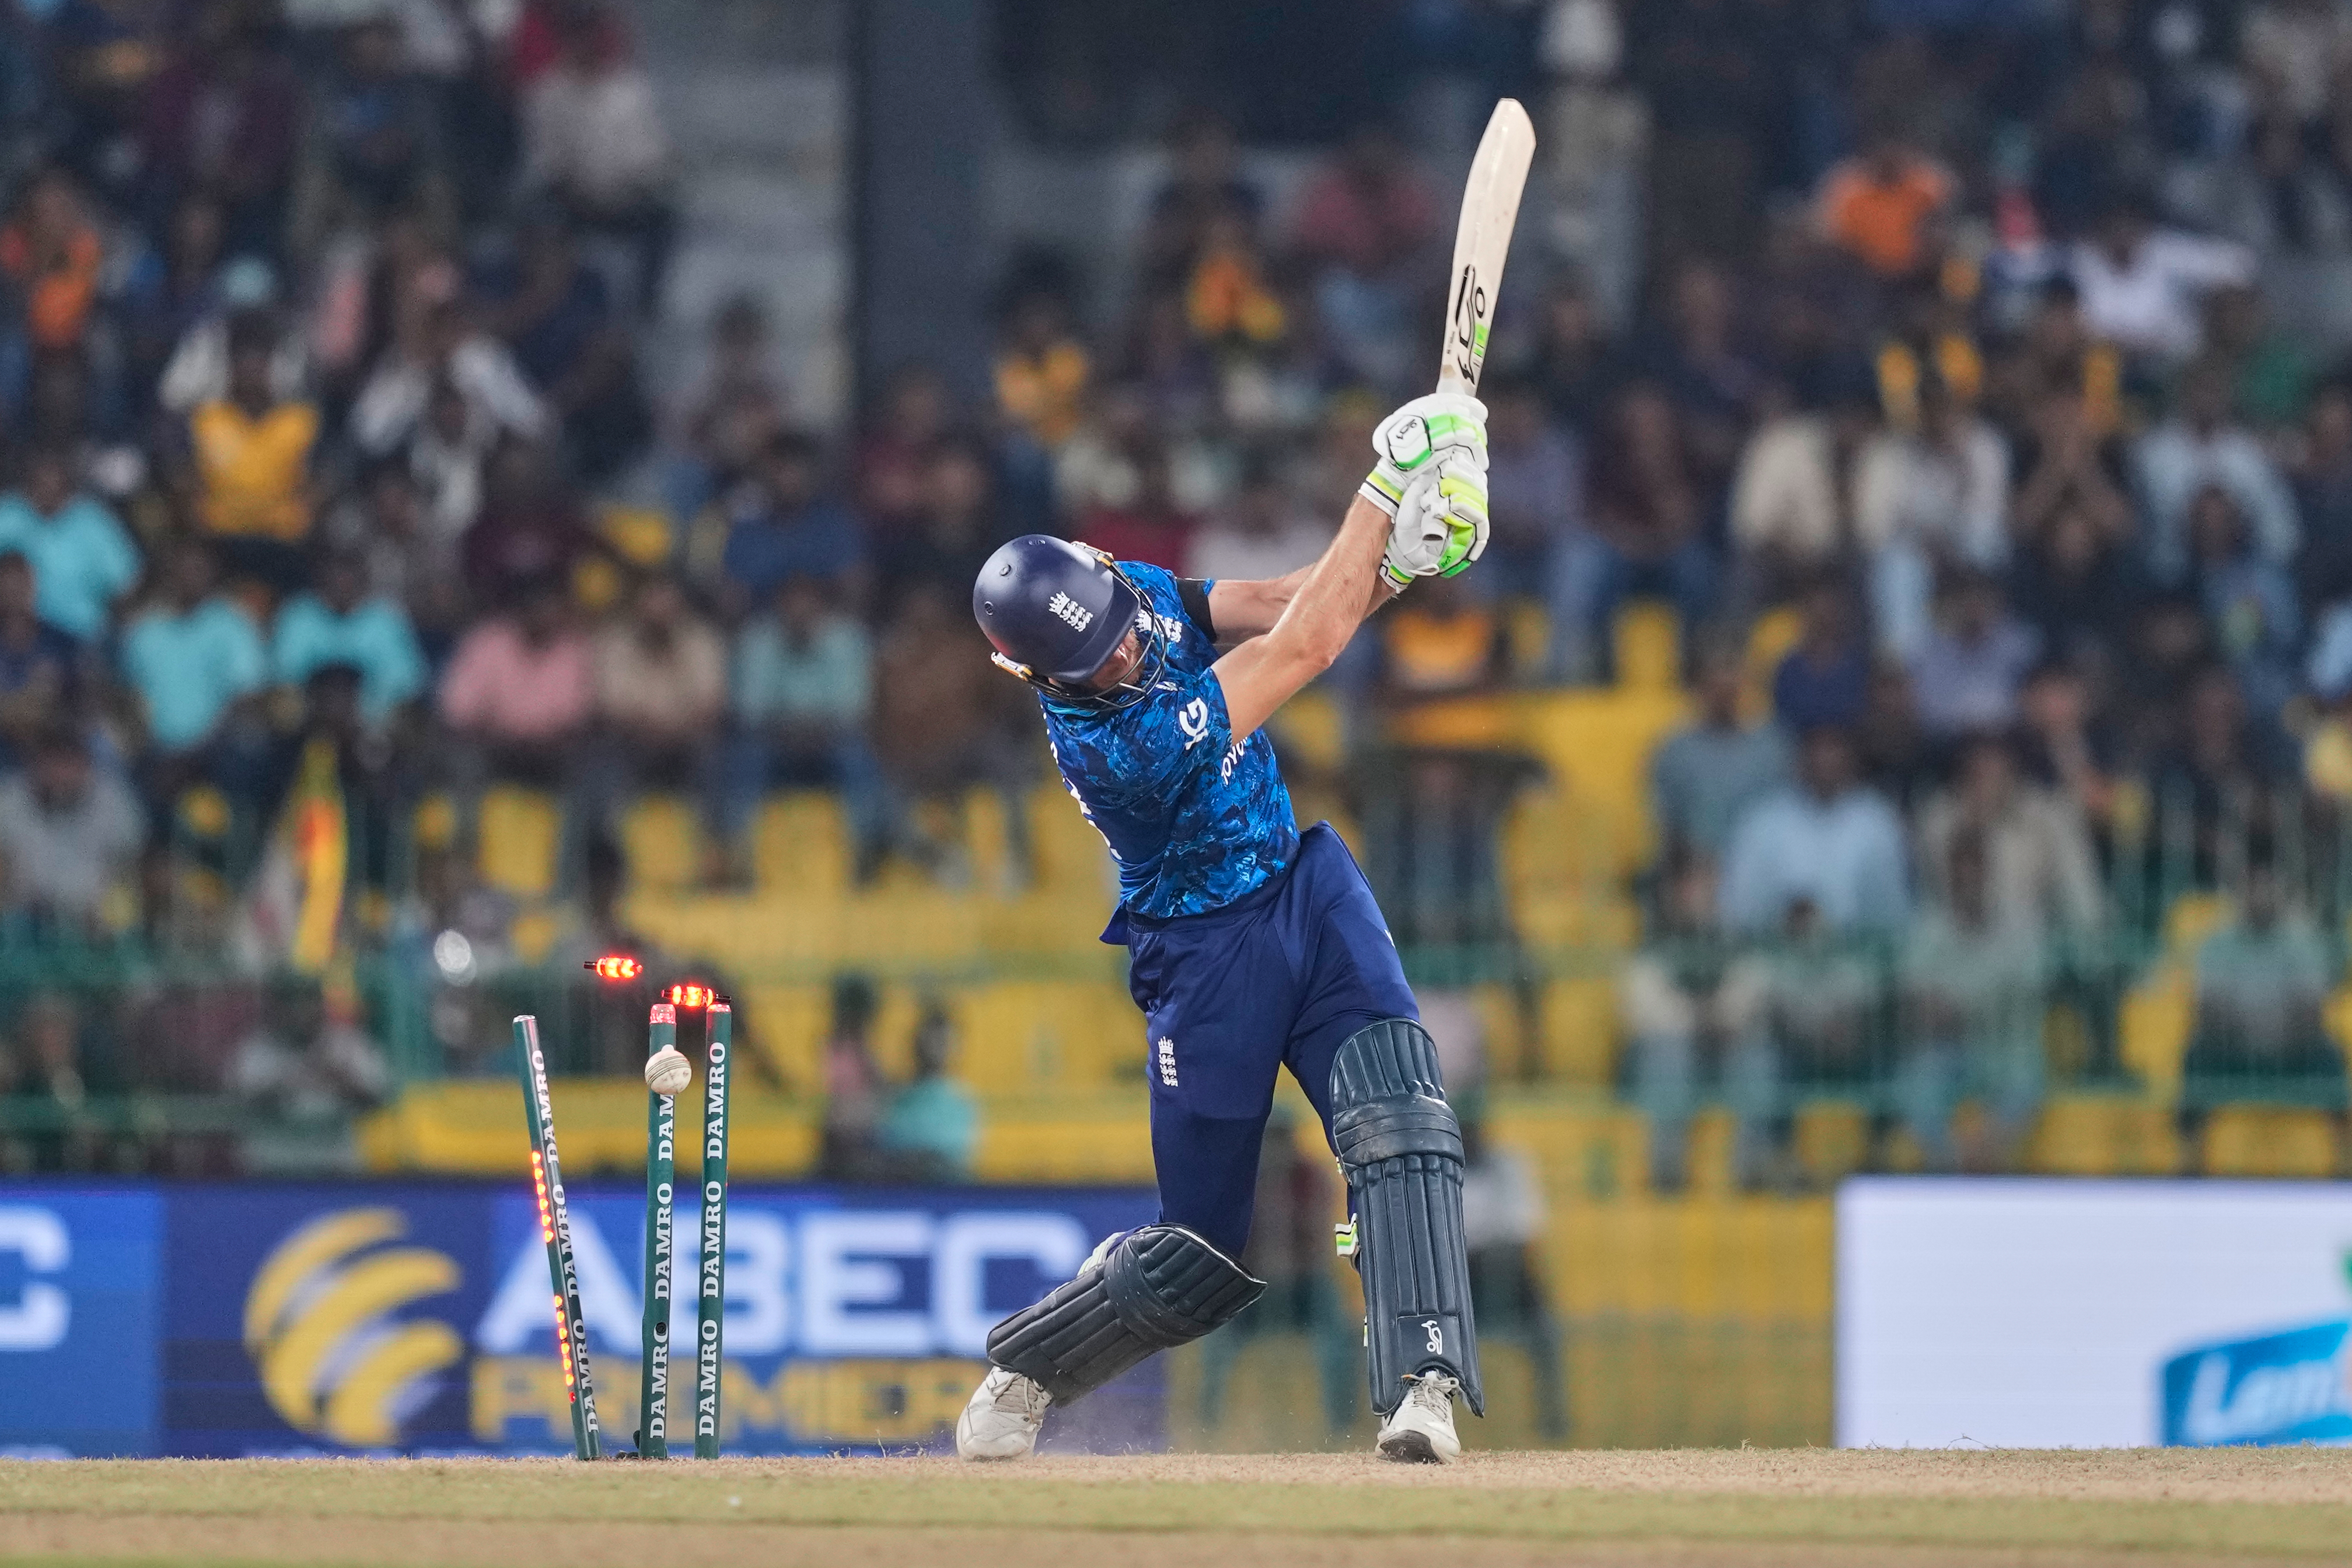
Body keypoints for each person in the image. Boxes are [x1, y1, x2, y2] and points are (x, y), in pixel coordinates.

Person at [953, 391, 1494, 1465]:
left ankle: (1421, 1392)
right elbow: (1306, 653)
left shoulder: (1124, 595)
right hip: (1203, 960)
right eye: (1092, 663)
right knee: (1198, 1252)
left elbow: (1280, 603)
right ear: (1031, 676)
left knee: (1404, 1116)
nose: (1122, 659)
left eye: (1115, 633)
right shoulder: (1121, 748)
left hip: (1302, 888)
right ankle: (1030, 1368)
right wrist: (1384, 487)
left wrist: (1409, 556)